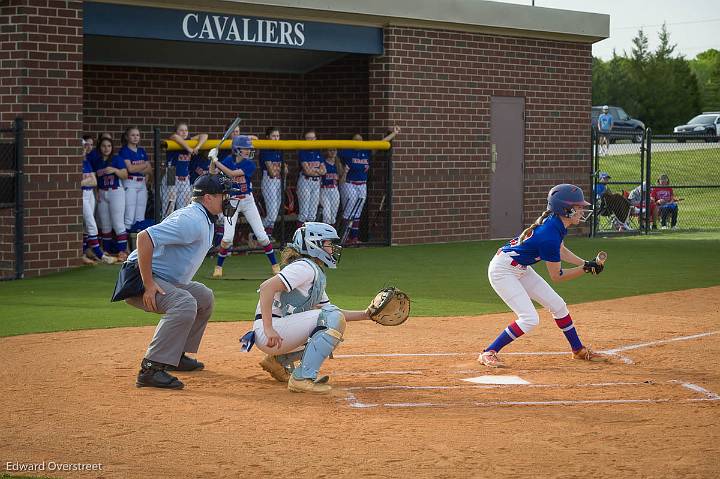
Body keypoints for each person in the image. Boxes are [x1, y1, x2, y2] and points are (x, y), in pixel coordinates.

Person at [478, 184, 607, 368]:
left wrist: (585, 263)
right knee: (529, 318)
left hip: (520, 268)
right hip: (503, 271)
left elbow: (560, 250)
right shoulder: (549, 234)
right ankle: (488, 352)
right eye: (578, 207)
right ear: (566, 209)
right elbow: (558, 276)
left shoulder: (557, 223)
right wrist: (585, 270)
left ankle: (578, 350)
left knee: (558, 305)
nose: (582, 210)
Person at [123, 174, 231, 389]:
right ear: (208, 198)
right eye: (223, 195)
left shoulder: (203, 216)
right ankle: (151, 368)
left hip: (161, 278)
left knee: (203, 297)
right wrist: (148, 284)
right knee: (184, 303)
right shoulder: (191, 220)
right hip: (137, 278)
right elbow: (144, 237)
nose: (227, 200)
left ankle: (175, 355)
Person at [240, 222, 375, 394]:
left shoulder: (314, 272)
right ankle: (301, 378)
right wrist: (268, 328)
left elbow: (333, 311)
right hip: (271, 332)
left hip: (278, 332)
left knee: (332, 320)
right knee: (330, 321)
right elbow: (267, 288)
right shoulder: (304, 267)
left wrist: (367, 314)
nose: (333, 248)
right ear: (314, 244)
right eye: (328, 243)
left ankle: (277, 361)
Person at [209, 135, 279, 277]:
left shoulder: (249, 164)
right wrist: (212, 160)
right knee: (227, 238)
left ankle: (275, 265)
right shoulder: (228, 160)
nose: (248, 151)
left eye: (249, 148)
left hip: (247, 201)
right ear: (237, 149)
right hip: (231, 201)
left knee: (262, 236)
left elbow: (232, 174)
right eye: (245, 148)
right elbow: (212, 173)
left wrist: (216, 161)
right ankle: (218, 268)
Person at [338, 126, 400, 245]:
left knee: (357, 212)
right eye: (355, 140)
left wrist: (394, 134)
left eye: (360, 140)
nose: (358, 142)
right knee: (348, 211)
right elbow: (333, 154)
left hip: (362, 184)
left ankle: (354, 239)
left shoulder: (365, 151)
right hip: (349, 184)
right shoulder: (346, 152)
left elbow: (381, 143)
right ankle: (344, 238)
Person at [93, 137, 129, 260]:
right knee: (105, 224)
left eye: (109, 146)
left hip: (115, 192)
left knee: (118, 223)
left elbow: (125, 175)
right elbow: (95, 179)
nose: (106, 148)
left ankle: (122, 251)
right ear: (99, 147)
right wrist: (96, 191)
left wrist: (114, 170)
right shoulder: (97, 161)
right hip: (102, 192)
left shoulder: (117, 159)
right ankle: (107, 250)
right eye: (104, 146)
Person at [81, 149, 116, 265]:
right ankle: (100, 255)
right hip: (81, 195)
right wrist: (87, 181)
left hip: (89, 193)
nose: (83, 150)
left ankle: (84, 252)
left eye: (84, 148)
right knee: (91, 224)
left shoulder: (86, 163)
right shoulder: (74, 163)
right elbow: (77, 183)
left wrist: (84, 181)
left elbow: (94, 182)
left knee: (87, 225)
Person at [164, 122, 208, 213]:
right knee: (169, 207)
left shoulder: (189, 141)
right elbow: (174, 137)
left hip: (185, 177)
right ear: (176, 132)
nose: (184, 132)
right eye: (181, 130)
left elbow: (204, 135)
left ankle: (181, 226)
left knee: (184, 208)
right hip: (171, 175)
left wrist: (197, 147)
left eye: (186, 130)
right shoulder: (174, 140)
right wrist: (189, 149)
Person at [119, 126, 151, 232]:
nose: (135, 137)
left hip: (142, 183)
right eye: (133, 135)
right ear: (127, 137)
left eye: (137, 135)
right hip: (130, 182)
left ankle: (138, 244)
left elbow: (150, 170)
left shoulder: (141, 150)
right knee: (129, 215)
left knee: (140, 216)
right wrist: (144, 165)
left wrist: (142, 168)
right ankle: (126, 245)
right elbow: (131, 169)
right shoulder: (124, 151)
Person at [259, 127, 284, 241]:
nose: (276, 138)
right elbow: (272, 172)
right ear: (267, 137)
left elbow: (285, 170)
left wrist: (279, 170)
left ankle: (267, 235)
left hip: (279, 182)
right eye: (273, 136)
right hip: (269, 181)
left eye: (277, 136)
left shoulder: (279, 150)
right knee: (272, 214)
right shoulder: (265, 150)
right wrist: (279, 169)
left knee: (275, 211)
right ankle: (255, 233)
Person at [296, 129, 325, 228]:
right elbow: (307, 171)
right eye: (308, 138)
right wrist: (317, 170)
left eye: (312, 138)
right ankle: (300, 237)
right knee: (304, 212)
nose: (310, 140)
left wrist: (314, 170)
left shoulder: (319, 153)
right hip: (305, 182)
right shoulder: (302, 152)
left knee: (312, 213)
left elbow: (324, 171)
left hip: (316, 184)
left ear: (316, 139)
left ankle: (309, 237)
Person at [319, 148, 341, 228]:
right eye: (331, 150)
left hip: (335, 190)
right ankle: (325, 237)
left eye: (335, 150)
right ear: (327, 151)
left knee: (333, 215)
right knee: (327, 214)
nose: (333, 152)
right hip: (324, 189)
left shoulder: (338, 164)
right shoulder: (323, 163)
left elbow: (340, 181)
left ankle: (330, 237)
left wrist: (345, 172)